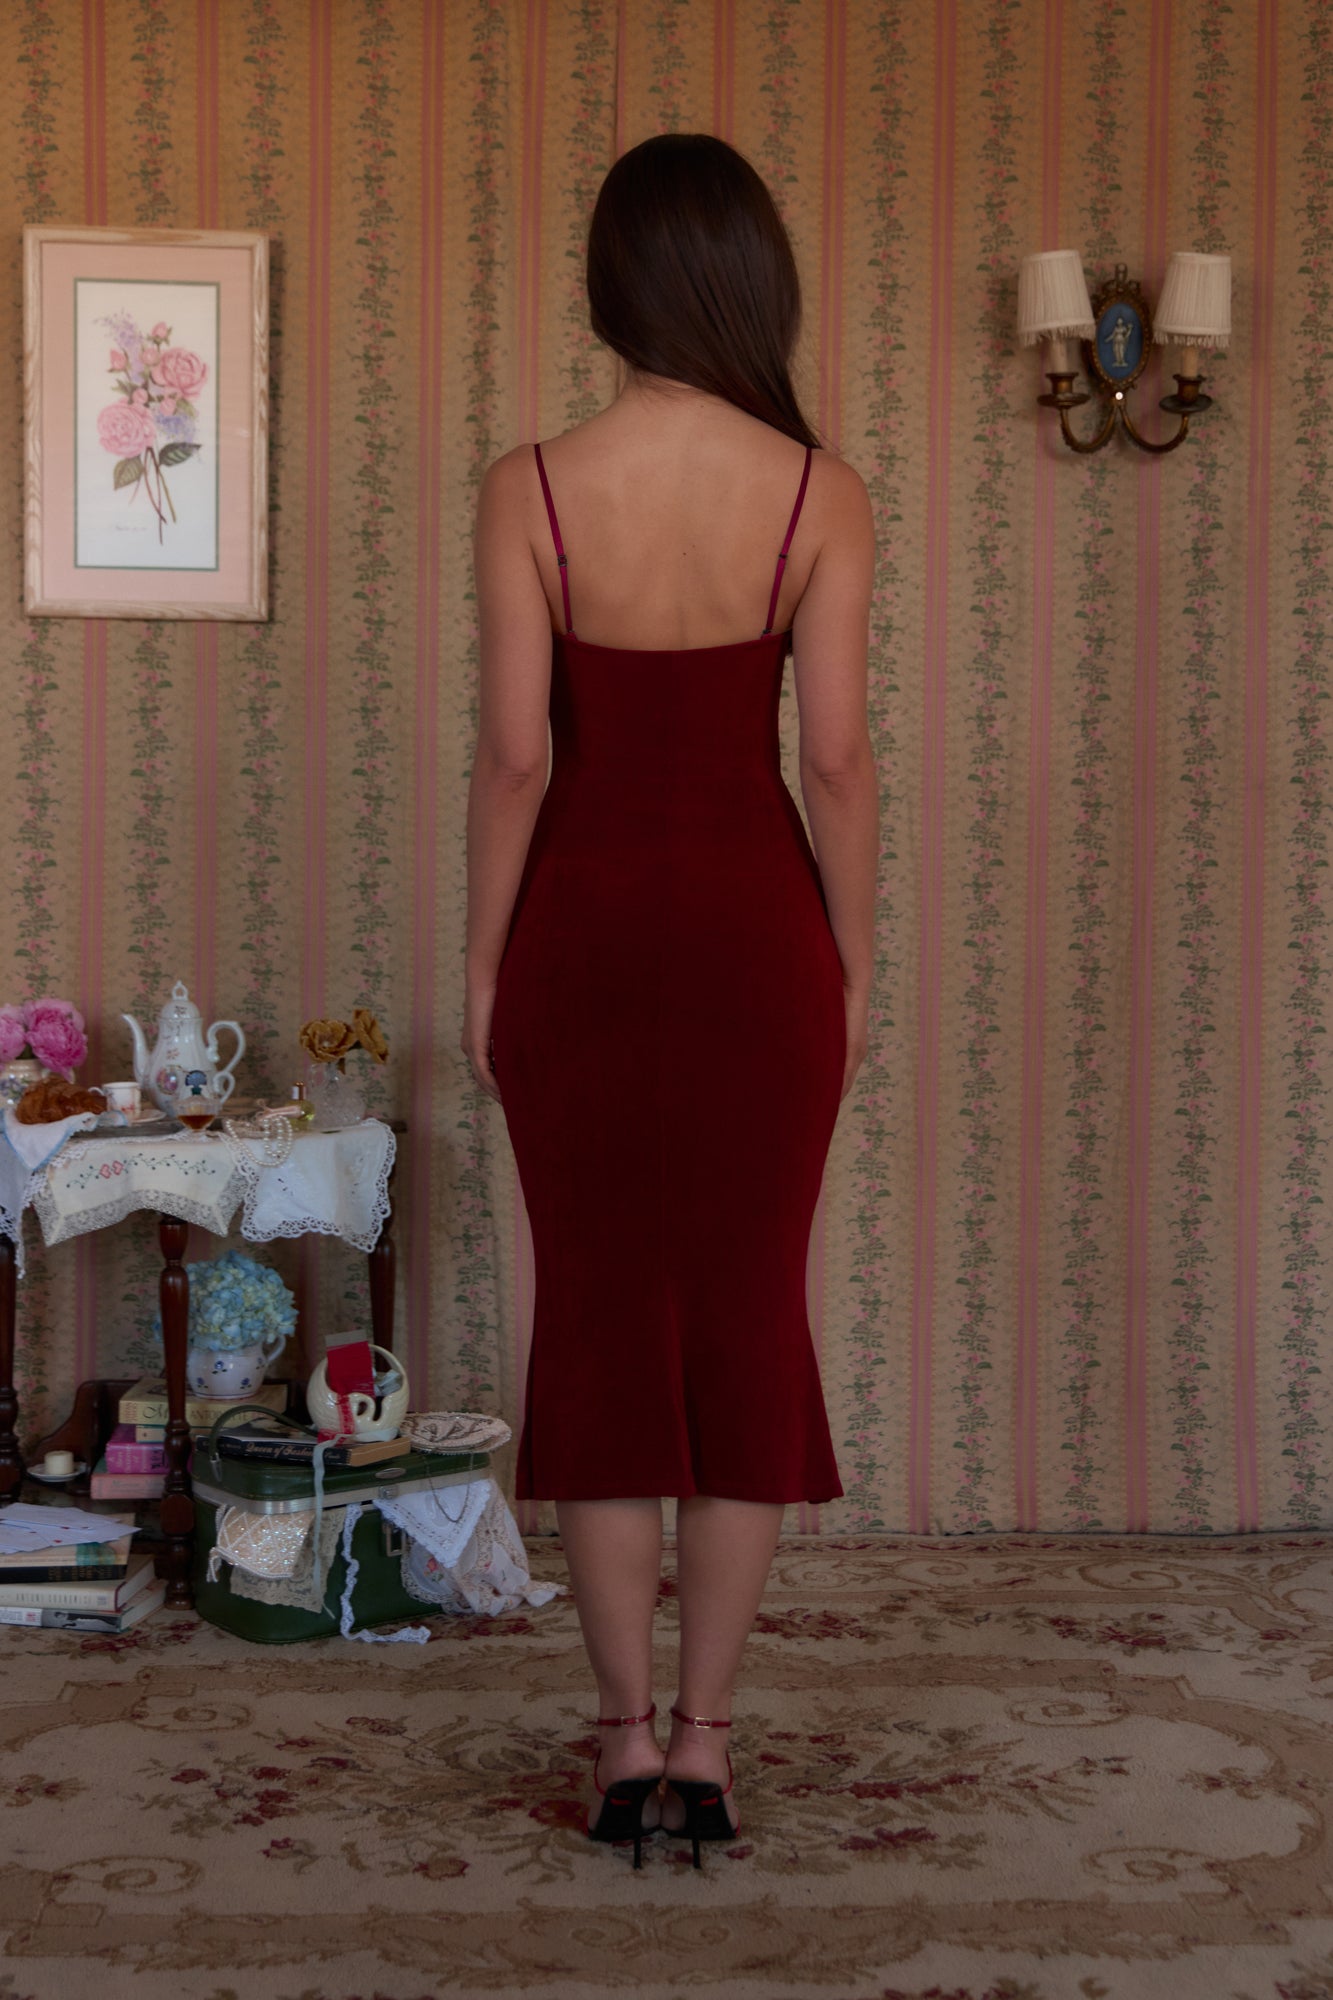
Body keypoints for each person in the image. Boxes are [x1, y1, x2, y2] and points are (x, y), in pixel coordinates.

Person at [461, 131, 878, 1869]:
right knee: (747, 1325)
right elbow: (834, 762)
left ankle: (620, 1738)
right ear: (754, 282)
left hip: (583, 931)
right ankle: (706, 1745)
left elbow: (514, 755)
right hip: (755, 941)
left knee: (603, 1329)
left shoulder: (531, 485)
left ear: (607, 284)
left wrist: (486, 964)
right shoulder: (819, 492)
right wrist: (848, 964)